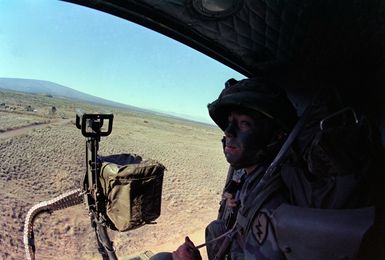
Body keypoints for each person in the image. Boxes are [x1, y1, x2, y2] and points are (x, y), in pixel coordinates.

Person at [150, 76, 298, 260]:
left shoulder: (270, 206)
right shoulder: (254, 176)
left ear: (275, 137)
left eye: (244, 123)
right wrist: (232, 197)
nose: (228, 131)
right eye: (229, 121)